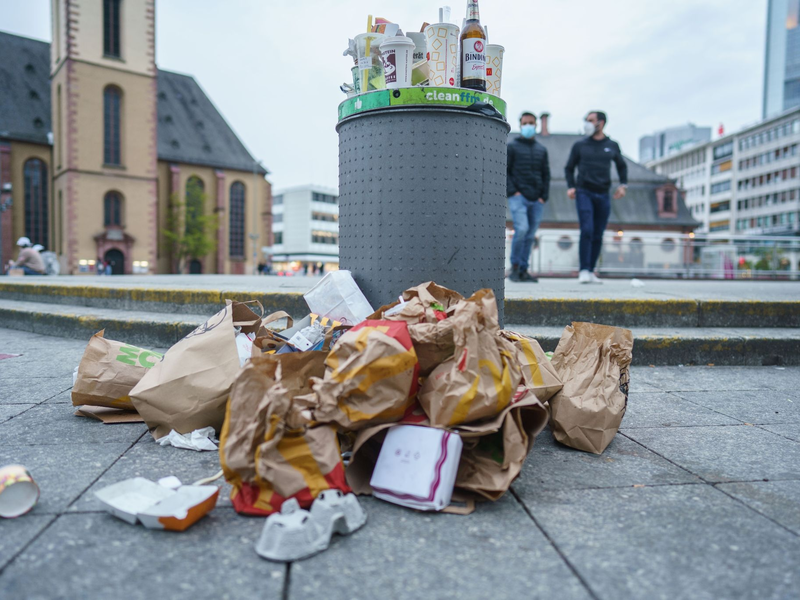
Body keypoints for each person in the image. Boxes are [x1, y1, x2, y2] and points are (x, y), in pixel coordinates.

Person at [565, 111, 628, 284]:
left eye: (591, 120)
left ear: (601, 123)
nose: (587, 123)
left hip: (603, 194)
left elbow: (622, 166)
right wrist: (571, 187)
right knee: (587, 229)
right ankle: (583, 270)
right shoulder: (580, 145)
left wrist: (623, 185)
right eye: (586, 120)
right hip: (584, 192)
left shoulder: (612, 145)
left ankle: (591, 270)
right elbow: (569, 167)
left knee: (598, 233)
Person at [507, 112, 550, 283]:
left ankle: (524, 269)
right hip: (518, 196)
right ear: (520, 124)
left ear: (536, 125)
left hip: (536, 199)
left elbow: (546, 174)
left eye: (531, 123)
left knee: (531, 235)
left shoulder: (541, 149)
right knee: (522, 229)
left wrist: (543, 197)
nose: (528, 126)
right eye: (525, 123)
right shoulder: (512, 147)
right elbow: (506, 171)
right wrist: (513, 192)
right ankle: (515, 267)